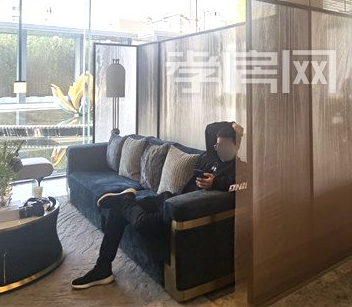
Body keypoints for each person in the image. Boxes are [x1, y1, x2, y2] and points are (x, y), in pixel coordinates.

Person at [71, 121, 244, 289]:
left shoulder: (241, 168)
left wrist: (215, 183)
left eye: (225, 145)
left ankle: (126, 198)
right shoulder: (212, 157)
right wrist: (231, 125)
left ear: (236, 145)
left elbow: (242, 186)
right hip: (169, 198)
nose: (220, 148)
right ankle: (102, 268)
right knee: (117, 211)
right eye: (218, 145)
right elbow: (210, 129)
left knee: (141, 222)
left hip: (179, 210)